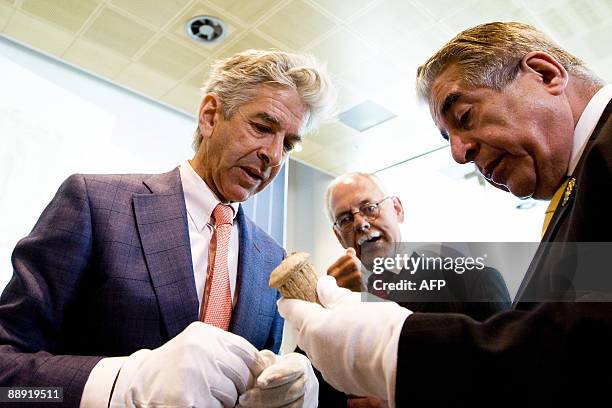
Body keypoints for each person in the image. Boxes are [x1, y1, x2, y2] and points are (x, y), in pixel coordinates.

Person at [278, 22, 612, 407]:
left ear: (545, 74)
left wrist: (395, 352)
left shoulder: (461, 271)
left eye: (465, 116)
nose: (458, 153)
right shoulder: (576, 192)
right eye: (345, 218)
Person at [0, 49, 336, 407]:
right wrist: (119, 386)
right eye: (262, 127)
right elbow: (7, 378)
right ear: (209, 116)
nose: (272, 154)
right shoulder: (93, 203)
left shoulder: (272, 258)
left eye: (287, 144)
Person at [325, 172, 510, 321]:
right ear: (339, 237)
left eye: (369, 208)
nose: (360, 224)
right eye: (345, 220)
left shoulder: (473, 282)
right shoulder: (332, 307)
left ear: (397, 209)